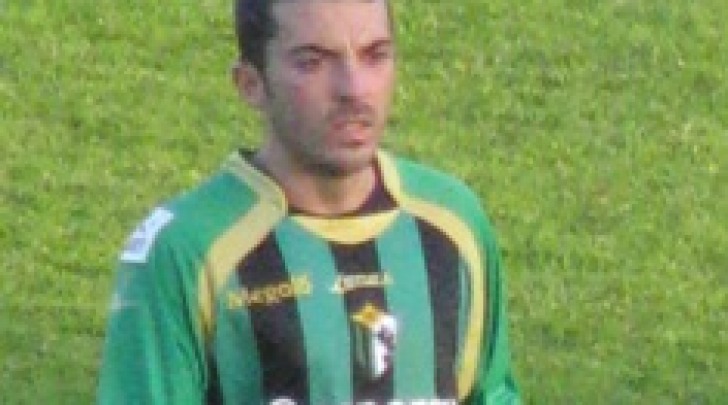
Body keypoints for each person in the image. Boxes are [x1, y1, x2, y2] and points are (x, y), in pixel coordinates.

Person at [97, 0, 520, 404]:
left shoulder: (453, 221)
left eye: (375, 56)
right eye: (313, 62)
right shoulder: (185, 250)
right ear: (251, 84)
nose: (354, 89)